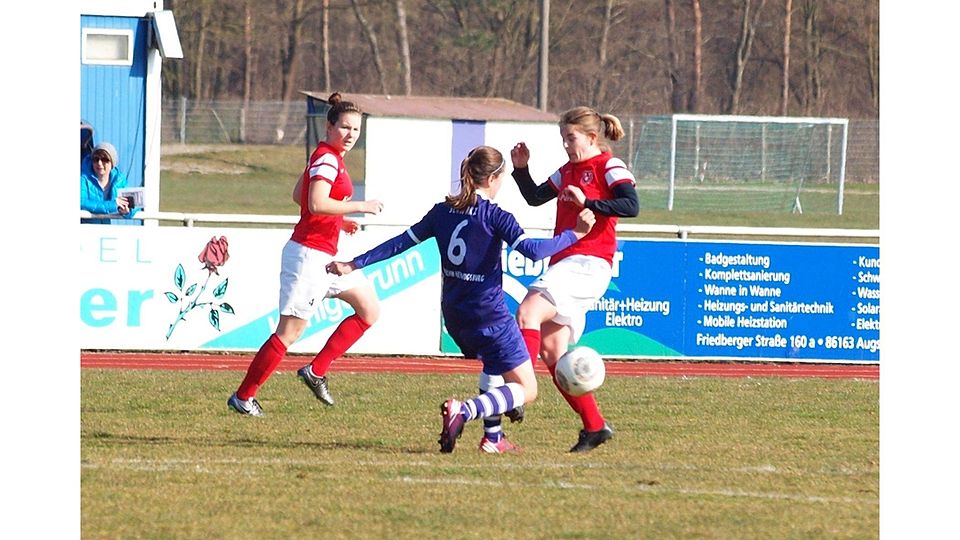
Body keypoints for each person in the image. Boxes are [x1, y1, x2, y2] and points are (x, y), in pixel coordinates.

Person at [327, 145, 595, 453]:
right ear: (495, 178)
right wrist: (575, 234)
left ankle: (493, 438)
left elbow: (400, 243)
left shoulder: (443, 212)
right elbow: (533, 251)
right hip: (488, 315)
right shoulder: (496, 216)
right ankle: (464, 411)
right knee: (527, 389)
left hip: (454, 317)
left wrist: (354, 263)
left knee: (494, 364)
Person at [228, 92, 385, 416]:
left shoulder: (327, 157)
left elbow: (298, 194)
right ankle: (244, 397)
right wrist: (359, 206)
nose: (351, 134)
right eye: (345, 127)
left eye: (356, 129)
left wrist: (339, 222)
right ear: (329, 126)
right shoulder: (327, 158)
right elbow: (313, 202)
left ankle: (315, 371)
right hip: (308, 256)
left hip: (326, 256)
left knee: (369, 309)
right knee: (289, 332)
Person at [510, 106, 640, 452]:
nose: (567, 145)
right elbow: (536, 197)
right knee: (553, 350)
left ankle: (519, 388)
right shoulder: (568, 170)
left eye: (572, 138)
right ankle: (595, 427)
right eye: (563, 138)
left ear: (592, 138)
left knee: (527, 313)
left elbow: (631, 205)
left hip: (589, 262)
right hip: (568, 262)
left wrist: (591, 202)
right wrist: (521, 170)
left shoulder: (608, 165)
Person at [80, 142, 132, 224]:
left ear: (112, 163)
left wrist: (127, 211)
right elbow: (81, 202)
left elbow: (133, 205)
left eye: (105, 159)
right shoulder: (82, 178)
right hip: (85, 230)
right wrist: (113, 205)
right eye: (96, 159)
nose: (99, 163)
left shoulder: (119, 180)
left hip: (106, 230)